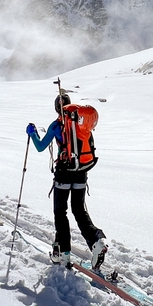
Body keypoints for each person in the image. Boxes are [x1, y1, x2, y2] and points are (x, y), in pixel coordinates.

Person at [25, 92, 108, 270]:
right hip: (81, 172)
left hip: (63, 172)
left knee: (60, 212)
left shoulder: (56, 125)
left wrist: (32, 134)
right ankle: (96, 241)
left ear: (57, 108)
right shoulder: (82, 126)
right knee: (79, 210)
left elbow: (40, 147)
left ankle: (63, 253)